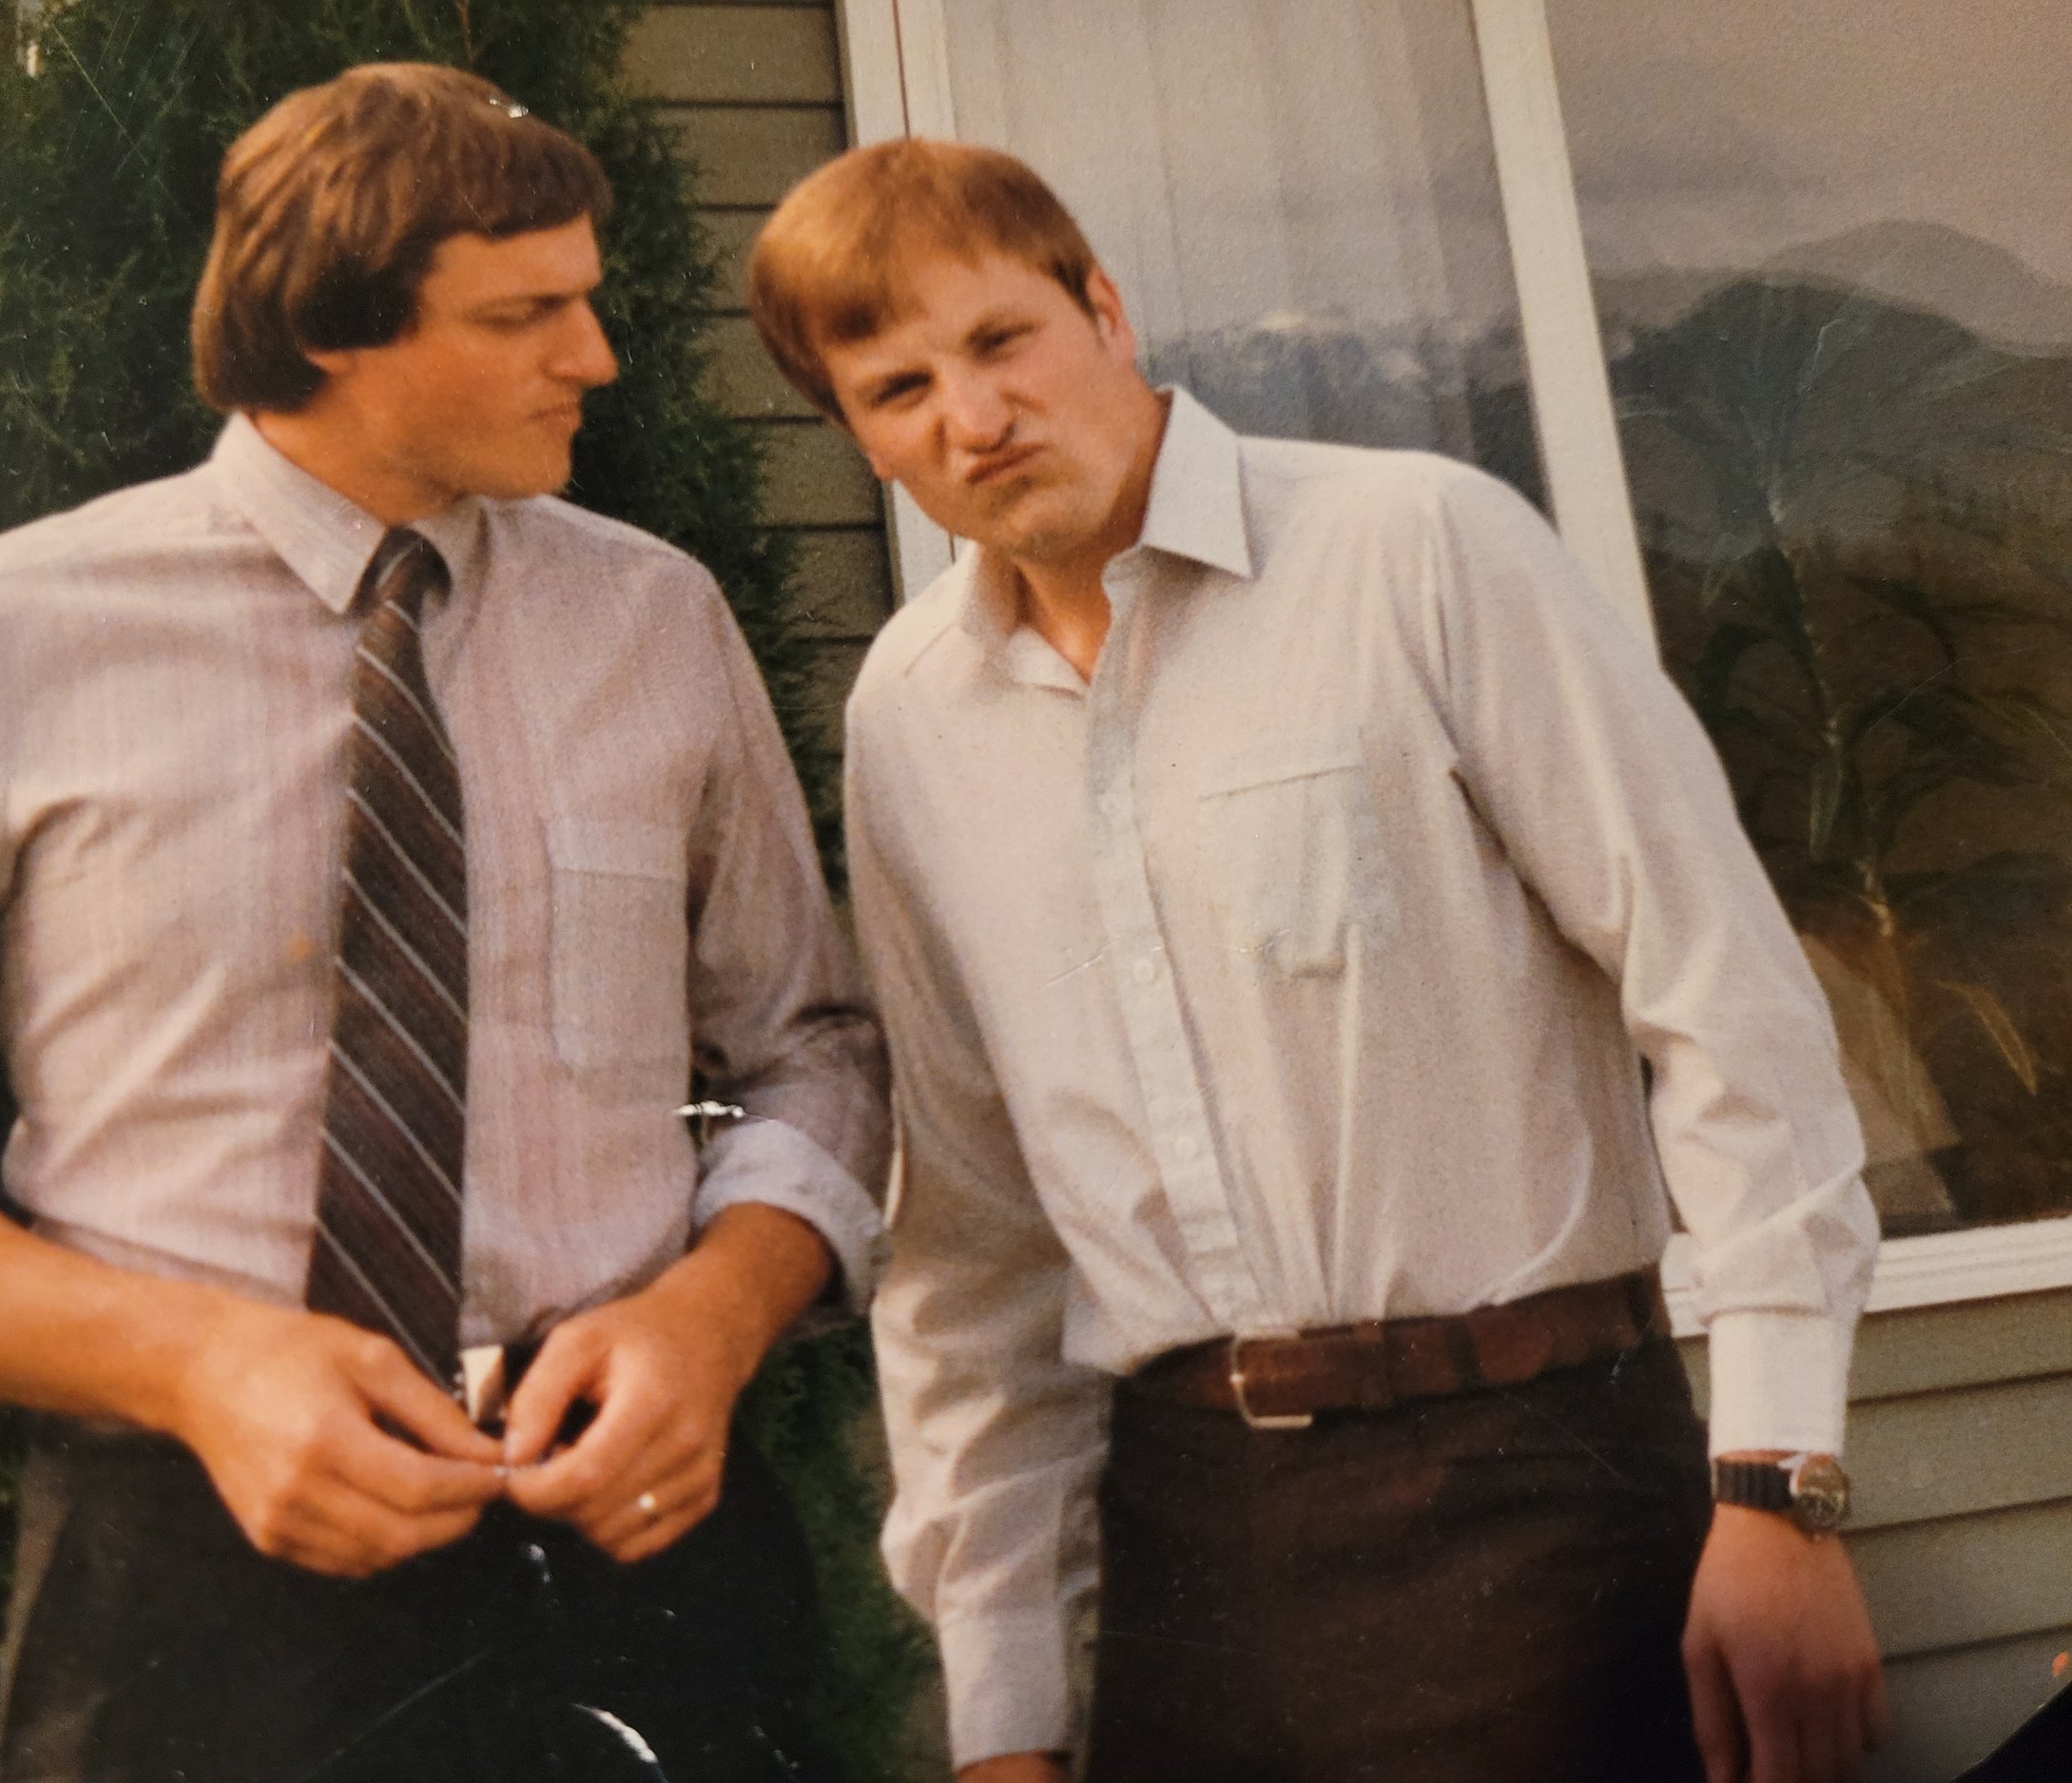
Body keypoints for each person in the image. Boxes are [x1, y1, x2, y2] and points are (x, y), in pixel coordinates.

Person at [0, 63, 888, 1783]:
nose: (597, 358)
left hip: (633, 1551)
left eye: (589, 300)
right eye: (526, 313)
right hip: (187, 1589)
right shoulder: (1, 636)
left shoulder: (659, 620)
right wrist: (197, 1366)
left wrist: (714, 1319)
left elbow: (816, 1054)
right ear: (333, 328)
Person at [747, 138, 1888, 1783]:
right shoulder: (913, 717)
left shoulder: (1415, 549)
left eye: (1001, 343)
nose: (971, 419)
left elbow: (1721, 1002)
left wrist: (1780, 1480)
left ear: (1105, 309)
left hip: (1533, 1489)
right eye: (897, 386)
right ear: (858, 433)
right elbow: (974, 1240)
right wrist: (1004, 1706)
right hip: (1184, 1551)